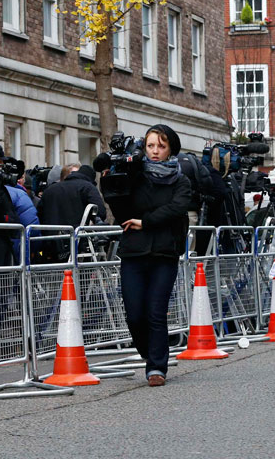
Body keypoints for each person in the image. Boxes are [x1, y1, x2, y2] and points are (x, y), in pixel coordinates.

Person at [104, 124, 190, 387]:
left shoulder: (181, 179)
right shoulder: (136, 174)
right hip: (134, 251)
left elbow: (178, 207)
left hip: (165, 252)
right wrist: (112, 169)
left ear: (170, 150)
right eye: (150, 145)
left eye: (161, 146)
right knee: (134, 313)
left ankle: (156, 367)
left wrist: (146, 221)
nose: (155, 151)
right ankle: (148, 352)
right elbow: (117, 202)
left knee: (155, 311)